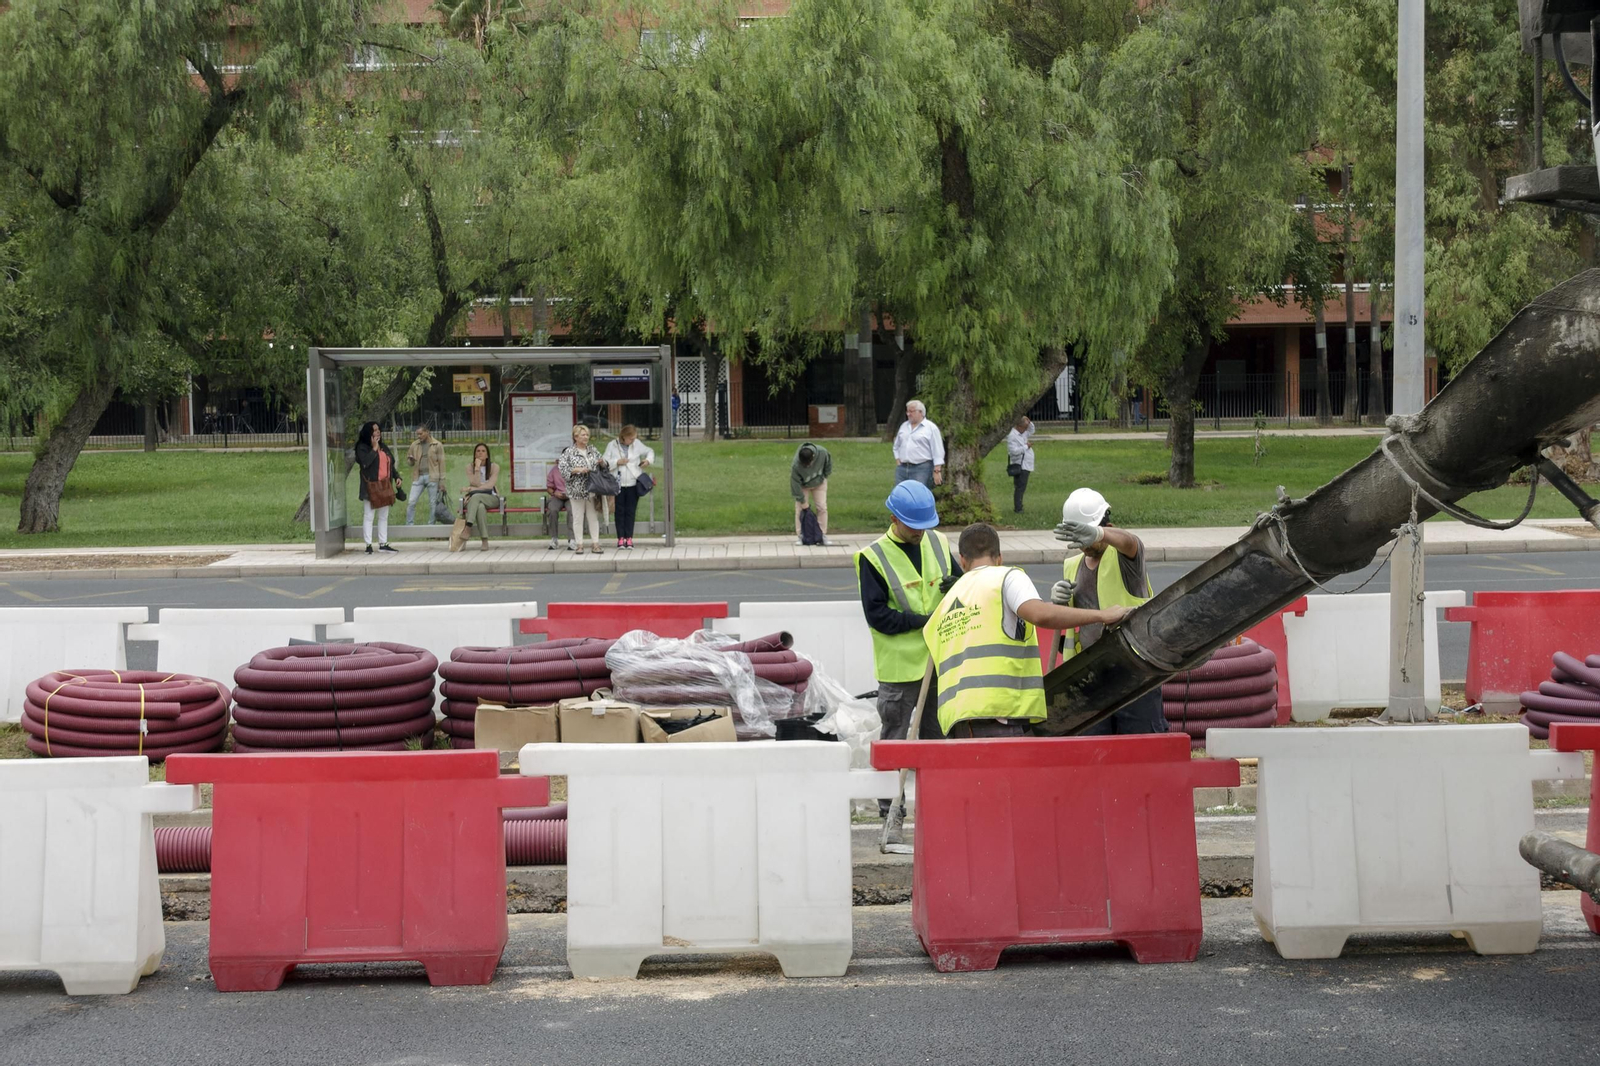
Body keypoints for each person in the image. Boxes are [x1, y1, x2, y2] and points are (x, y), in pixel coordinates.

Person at [925, 523, 1128, 739]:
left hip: (957, 724)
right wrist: (1102, 615)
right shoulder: (1006, 578)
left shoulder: (946, 602)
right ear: (1000, 557)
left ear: (962, 561)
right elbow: (1040, 615)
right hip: (1000, 717)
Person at [856, 481, 958, 825]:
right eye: (914, 527)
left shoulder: (939, 542)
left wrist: (956, 585)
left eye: (926, 526)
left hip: (938, 662)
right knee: (896, 742)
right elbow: (878, 616)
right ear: (894, 519)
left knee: (937, 739)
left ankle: (938, 809)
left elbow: (964, 584)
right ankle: (890, 813)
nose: (920, 533)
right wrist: (922, 621)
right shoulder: (874, 557)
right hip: (900, 670)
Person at [1051, 487, 1166, 734]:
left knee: (1140, 749)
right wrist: (1059, 602)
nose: (1084, 546)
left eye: (1088, 538)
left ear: (1107, 527)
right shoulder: (1072, 566)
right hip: (1090, 678)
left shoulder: (1126, 558)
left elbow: (1131, 542)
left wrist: (1101, 533)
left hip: (1134, 673)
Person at [558, 424, 610, 554]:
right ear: (575, 437)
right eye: (583, 435)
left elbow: (605, 465)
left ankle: (595, 544)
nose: (586, 437)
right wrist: (577, 470)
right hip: (576, 490)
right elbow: (563, 470)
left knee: (593, 518)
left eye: (587, 434)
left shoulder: (592, 449)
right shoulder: (568, 452)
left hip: (592, 489)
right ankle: (579, 544)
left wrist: (602, 463)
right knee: (578, 518)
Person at [603, 424, 655, 550]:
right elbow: (604, 461)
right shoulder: (612, 445)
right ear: (623, 436)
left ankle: (629, 538)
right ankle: (621, 538)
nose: (632, 441)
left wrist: (647, 461)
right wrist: (617, 462)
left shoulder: (637, 444)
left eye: (634, 439)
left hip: (633, 482)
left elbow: (650, 451)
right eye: (630, 439)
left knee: (630, 511)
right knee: (619, 511)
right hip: (618, 483)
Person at [354, 422, 400, 555]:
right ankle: (368, 545)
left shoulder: (383, 447)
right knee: (369, 515)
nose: (378, 432)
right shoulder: (362, 447)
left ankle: (383, 543)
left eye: (379, 429)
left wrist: (396, 476)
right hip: (371, 487)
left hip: (384, 485)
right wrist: (374, 449)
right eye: (374, 430)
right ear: (369, 432)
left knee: (383, 516)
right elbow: (365, 463)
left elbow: (390, 464)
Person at [452, 442, 501, 552]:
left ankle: (468, 527)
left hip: (491, 498)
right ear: (474, 454)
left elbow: (490, 486)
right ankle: (484, 540)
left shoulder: (494, 467)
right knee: (480, 507)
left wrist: (471, 489)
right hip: (477, 500)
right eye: (478, 451)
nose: (480, 453)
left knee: (476, 497)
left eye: (483, 451)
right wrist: (477, 468)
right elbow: (475, 482)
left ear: (487, 455)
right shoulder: (469, 467)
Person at [892, 400, 944, 488]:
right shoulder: (904, 426)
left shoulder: (931, 428)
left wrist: (937, 470)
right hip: (902, 468)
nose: (908, 414)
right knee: (900, 493)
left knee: (918, 494)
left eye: (911, 411)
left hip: (921, 468)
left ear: (921, 412)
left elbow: (937, 450)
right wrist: (897, 459)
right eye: (907, 411)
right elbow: (896, 445)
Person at [790, 441, 832, 545]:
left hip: (819, 482)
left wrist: (824, 476)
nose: (807, 466)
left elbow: (828, 464)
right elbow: (795, 483)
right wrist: (802, 501)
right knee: (800, 509)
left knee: (822, 507)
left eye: (808, 463)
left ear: (813, 456)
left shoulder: (822, 452)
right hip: (803, 485)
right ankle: (801, 536)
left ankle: (821, 535)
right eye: (804, 464)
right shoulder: (796, 465)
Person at [404, 424, 445, 525]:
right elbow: (409, 463)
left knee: (433, 504)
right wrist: (410, 460)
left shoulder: (437, 445)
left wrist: (442, 482)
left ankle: (431, 526)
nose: (418, 436)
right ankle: (409, 526)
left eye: (421, 434)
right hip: (418, 477)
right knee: (411, 502)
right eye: (417, 434)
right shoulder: (414, 445)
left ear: (427, 432)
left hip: (432, 477)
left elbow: (442, 464)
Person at [1004, 416, 1035, 515]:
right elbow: (1014, 451)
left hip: (1026, 464)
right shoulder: (1012, 436)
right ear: (1019, 426)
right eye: (1024, 427)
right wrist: (1026, 446)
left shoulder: (1023, 433)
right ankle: (1018, 507)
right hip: (1020, 465)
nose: (1026, 430)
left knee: (1022, 487)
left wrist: (1029, 422)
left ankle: (1019, 506)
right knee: (1020, 487)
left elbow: (1032, 430)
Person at [544, 462, 570, 551]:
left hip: (571, 497)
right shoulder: (555, 470)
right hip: (557, 496)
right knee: (552, 510)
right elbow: (549, 487)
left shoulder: (576, 469)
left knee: (572, 511)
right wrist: (555, 493)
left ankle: (572, 540)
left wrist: (569, 494)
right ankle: (554, 539)